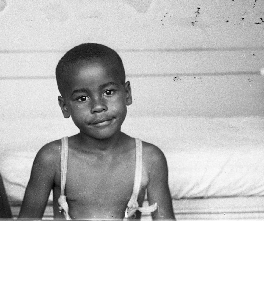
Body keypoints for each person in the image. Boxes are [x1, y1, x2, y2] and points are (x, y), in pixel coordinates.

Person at [19, 43, 175, 220]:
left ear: (127, 93)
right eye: (82, 98)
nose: (98, 106)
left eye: (108, 92)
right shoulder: (52, 158)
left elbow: (167, 232)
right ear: (64, 106)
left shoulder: (150, 158)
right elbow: (24, 230)